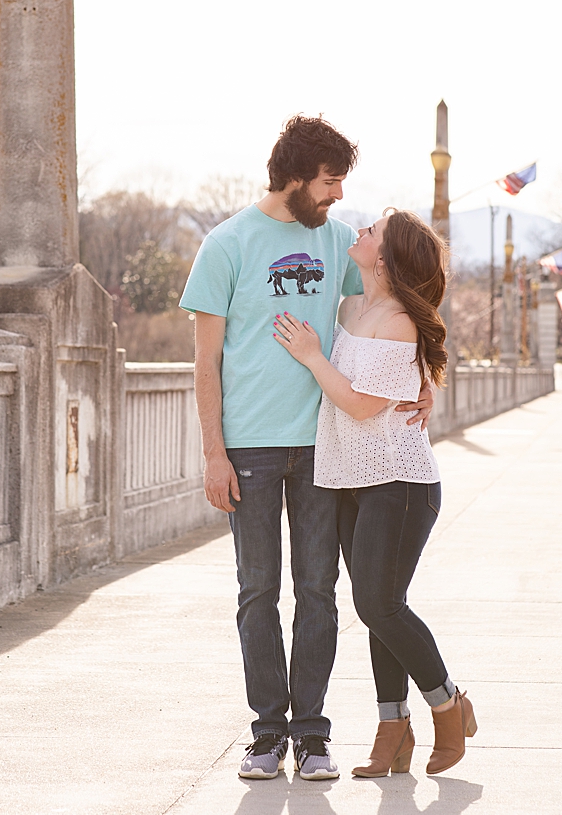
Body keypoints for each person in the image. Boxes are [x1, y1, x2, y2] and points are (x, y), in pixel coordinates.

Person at [180, 115, 433, 782]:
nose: (336, 198)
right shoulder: (227, 244)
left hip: (326, 449)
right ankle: (267, 735)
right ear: (294, 177)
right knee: (257, 591)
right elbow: (205, 363)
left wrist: (424, 374)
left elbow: (401, 301)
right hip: (251, 452)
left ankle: (314, 737)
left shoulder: (340, 241)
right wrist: (213, 452)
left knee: (318, 592)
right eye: (327, 183)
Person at [270, 209, 479, 778]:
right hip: (349, 481)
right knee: (380, 609)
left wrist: (312, 356)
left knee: (377, 604)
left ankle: (447, 703)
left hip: (400, 482)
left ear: (385, 259)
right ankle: (393, 730)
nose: (360, 232)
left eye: (373, 233)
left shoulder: (399, 322)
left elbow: (362, 404)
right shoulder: (349, 308)